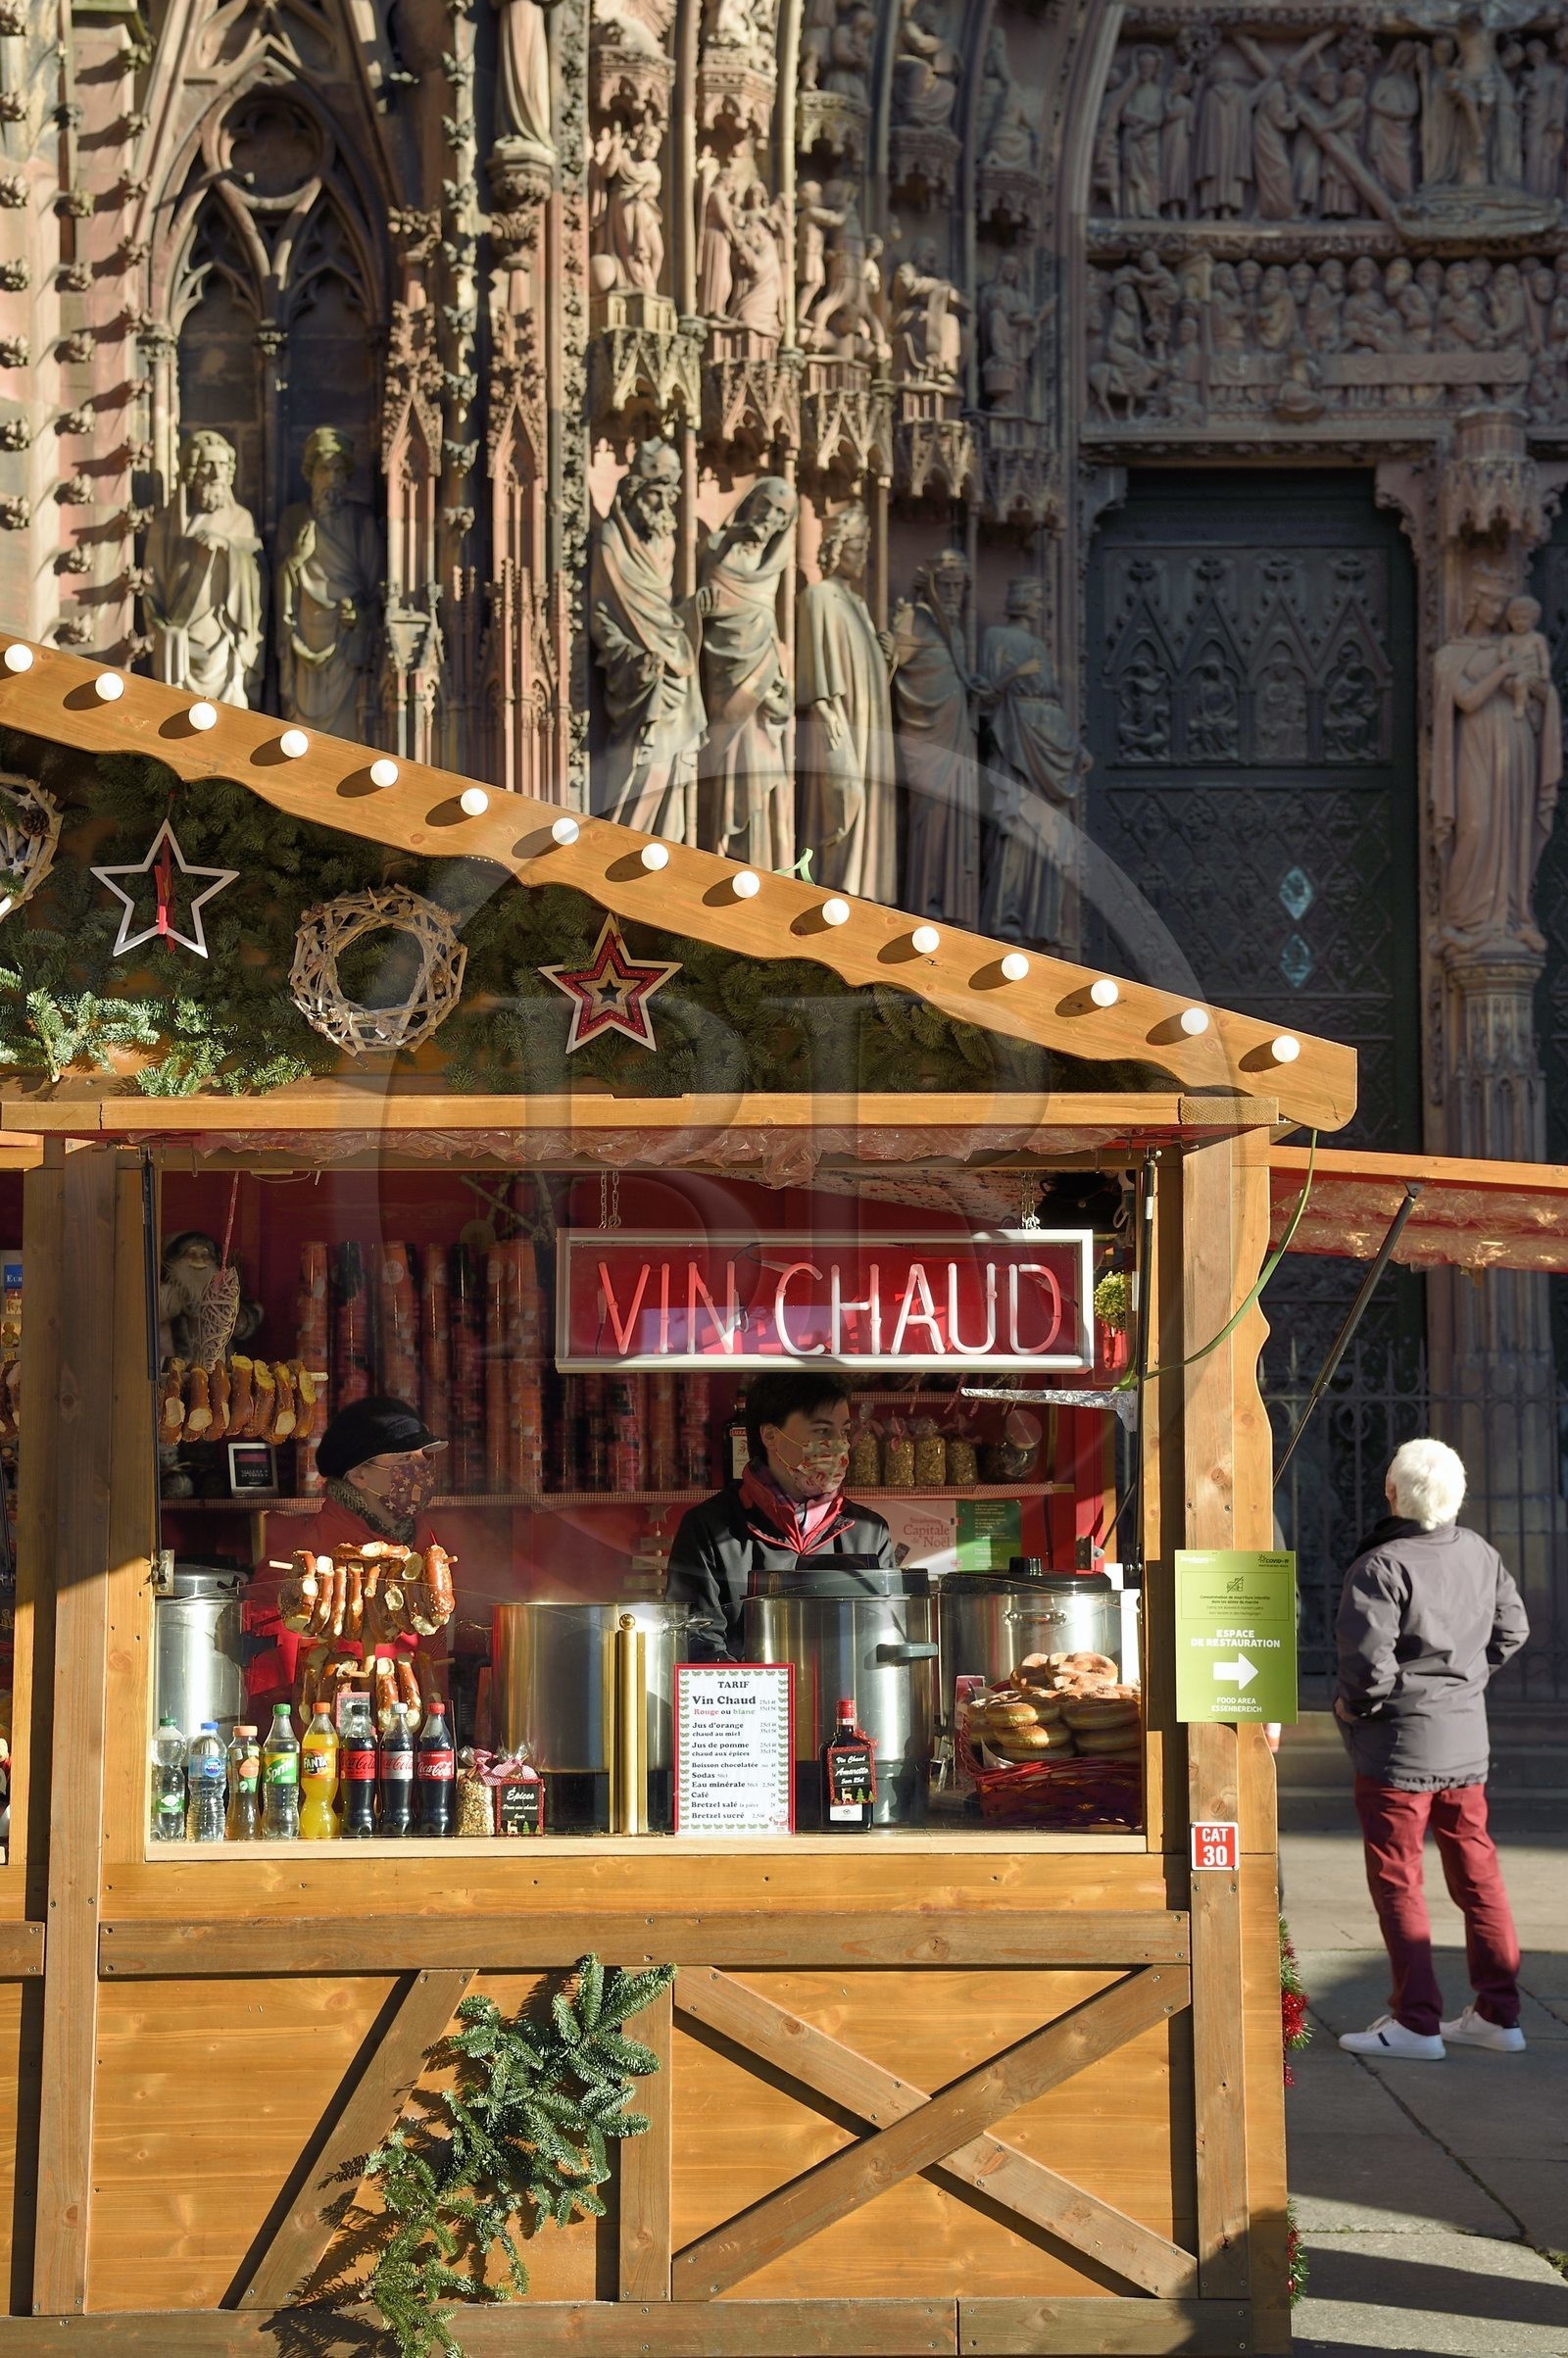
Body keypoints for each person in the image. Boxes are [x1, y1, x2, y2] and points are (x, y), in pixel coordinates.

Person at [1335, 1438, 1530, 2061]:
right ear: (1457, 1495)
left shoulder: (1382, 1565)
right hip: (1465, 1743)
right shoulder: (1479, 1551)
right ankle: (1499, 2015)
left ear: (1392, 1493)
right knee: (1479, 1876)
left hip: (1397, 1749)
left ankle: (1417, 2021)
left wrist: (1355, 1709)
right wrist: (1465, 1681)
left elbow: (1367, 1670)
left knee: (1399, 1879)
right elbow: (1513, 1630)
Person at [665, 1370, 895, 1661]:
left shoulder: (870, 1531)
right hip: (747, 1703)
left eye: (844, 1431)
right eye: (822, 1431)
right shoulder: (709, 1528)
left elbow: (886, 1634)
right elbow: (696, 1642)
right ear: (771, 1436)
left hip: (849, 1702)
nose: (839, 1445)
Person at [245, 1396, 448, 1718]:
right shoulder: (295, 1574)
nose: (421, 1469)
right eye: (404, 1460)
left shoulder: (431, 1557)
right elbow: (279, 1704)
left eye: (424, 1455)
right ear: (359, 1476)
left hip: (422, 1751)